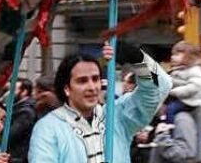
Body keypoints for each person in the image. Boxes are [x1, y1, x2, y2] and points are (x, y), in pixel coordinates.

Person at [28, 44, 171, 163]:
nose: (92, 87)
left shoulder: (116, 117)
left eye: (95, 79)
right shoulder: (48, 128)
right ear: (66, 88)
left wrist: (138, 59)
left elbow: (160, 87)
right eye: (82, 81)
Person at [166, 41, 201, 124]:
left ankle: (171, 127)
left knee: (171, 109)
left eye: (176, 55)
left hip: (189, 100)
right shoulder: (179, 69)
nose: (172, 57)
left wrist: (174, 92)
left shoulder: (195, 70)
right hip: (180, 97)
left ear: (188, 57)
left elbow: (193, 87)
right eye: (172, 55)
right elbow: (178, 82)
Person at [9, 78, 36, 163]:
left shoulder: (25, 112)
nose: (9, 94)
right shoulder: (17, 107)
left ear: (24, 92)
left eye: (13, 90)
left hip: (17, 158)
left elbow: (11, 134)